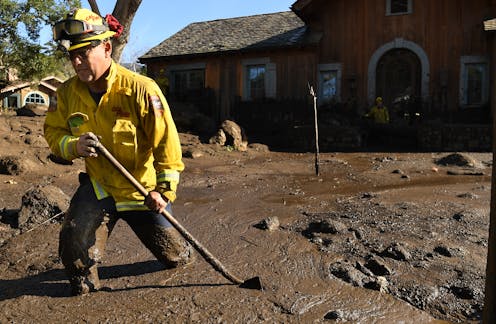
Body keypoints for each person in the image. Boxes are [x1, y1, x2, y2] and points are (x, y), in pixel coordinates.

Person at [44, 8, 194, 296]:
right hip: (100, 187)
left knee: (176, 257)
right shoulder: (64, 94)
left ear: (107, 48)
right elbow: (52, 133)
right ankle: (85, 288)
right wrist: (73, 146)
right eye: (71, 55)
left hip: (142, 190)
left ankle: (178, 251)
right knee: (74, 245)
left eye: (84, 53)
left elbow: (167, 143)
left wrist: (164, 191)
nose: (76, 61)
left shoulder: (141, 89)